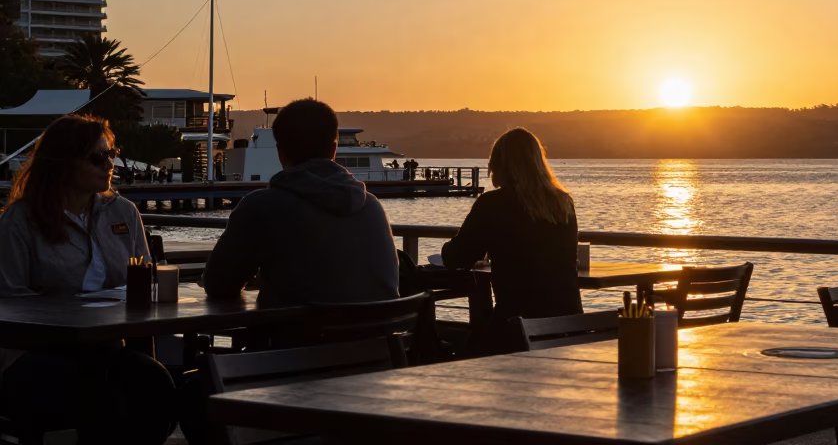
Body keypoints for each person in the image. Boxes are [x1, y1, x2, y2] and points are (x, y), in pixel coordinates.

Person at [0, 115, 176, 443]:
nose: (110, 164)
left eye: (111, 154)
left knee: (156, 383)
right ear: (64, 163)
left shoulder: (122, 212)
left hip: (103, 347)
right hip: (33, 353)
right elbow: (8, 300)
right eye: (97, 158)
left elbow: (145, 278)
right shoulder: (20, 221)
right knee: (100, 396)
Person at [202, 98, 399, 307]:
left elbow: (218, 285)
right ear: (334, 150)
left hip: (296, 338)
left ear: (280, 152)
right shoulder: (372, 206)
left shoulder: (261, 207)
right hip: (378, 336)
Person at [441, 128, 582, 350]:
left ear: (498, 165)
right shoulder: (563, 203)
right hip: (568, 325)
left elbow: (457, 258)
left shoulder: (493, 204)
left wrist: (449, 248)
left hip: (517, 327)